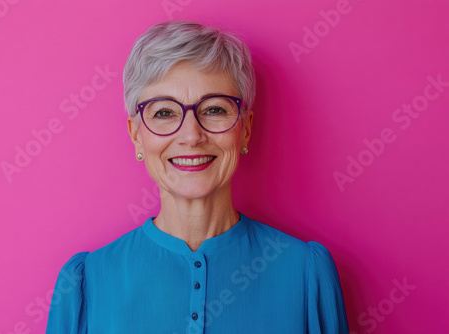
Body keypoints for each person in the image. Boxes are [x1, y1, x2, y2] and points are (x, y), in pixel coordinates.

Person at [46, 20, 349, 333]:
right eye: (164, 112)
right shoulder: (86, 282)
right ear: (137, 135)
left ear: (244, 129)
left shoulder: (305, 273)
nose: (191, 136)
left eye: (215, 110)